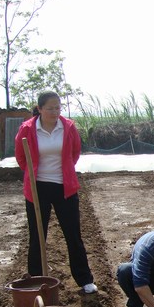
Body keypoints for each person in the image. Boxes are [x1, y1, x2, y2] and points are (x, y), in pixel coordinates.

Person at [15, 91, 97, 294]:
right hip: (37, 187)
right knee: (37, 235)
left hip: (64, 187)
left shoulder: (67, 127)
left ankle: (84, 279)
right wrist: (34, 175)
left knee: (73, 234)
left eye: (58, 108)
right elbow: (21, 158)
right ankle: (35, 279)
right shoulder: (27, 129)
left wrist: (65, 171)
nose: (54, 111)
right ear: (40, 109)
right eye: (50, 108)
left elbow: (74, 153)